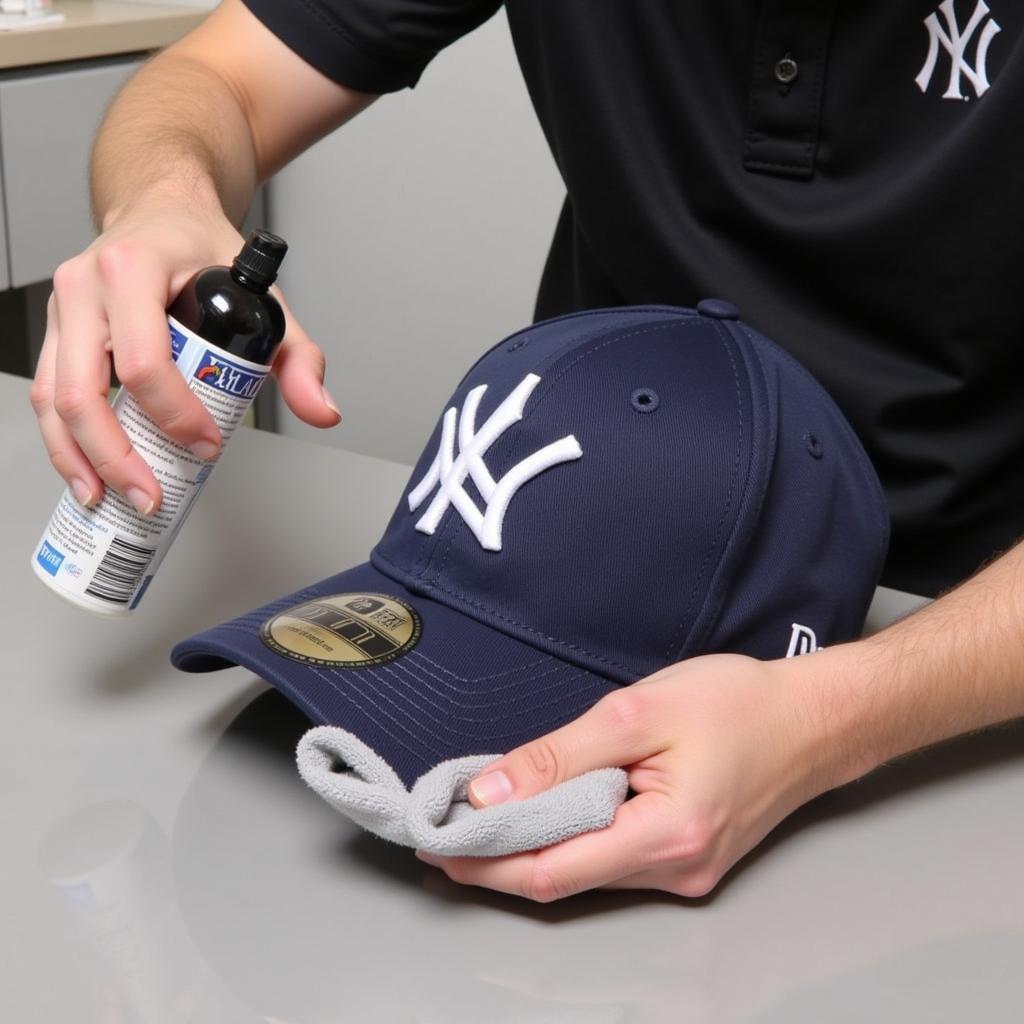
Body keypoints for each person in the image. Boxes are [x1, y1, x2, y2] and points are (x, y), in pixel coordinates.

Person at [29, 0, 1024, 901]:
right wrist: (160, 199)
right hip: (551, 546)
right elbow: (220, 82)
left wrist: (830, 717)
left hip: (967, 626)